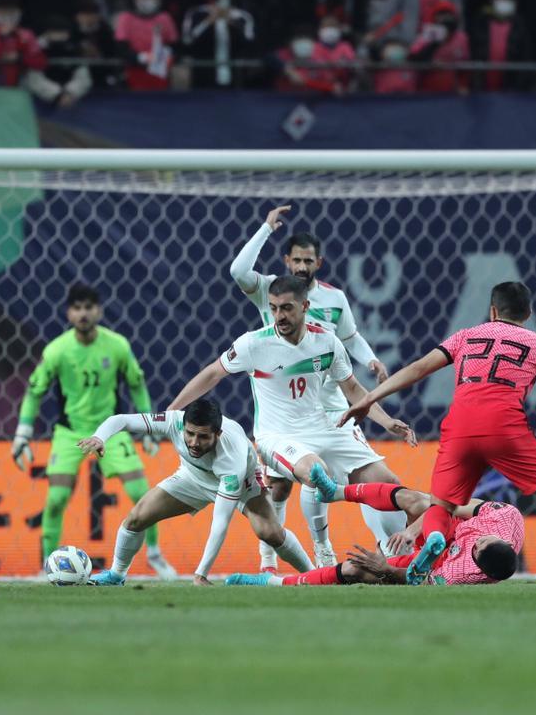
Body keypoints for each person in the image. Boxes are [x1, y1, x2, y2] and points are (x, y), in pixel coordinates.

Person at [342, 281, 536, 586]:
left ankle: (435, 537)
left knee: (442, 505)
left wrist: (369, 398)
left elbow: (418, 369)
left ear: (493, 311)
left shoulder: (466, 335)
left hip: (461, 427)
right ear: (529, 313)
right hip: (506, 428)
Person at [167, 275, 416, 564]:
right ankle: (322, 547)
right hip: (276, 436)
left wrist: (386, 421)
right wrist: (174, 409)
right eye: (273, 308)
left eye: (286, 308)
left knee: (391, 485)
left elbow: (352, 388)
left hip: (321, 428)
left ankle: (398, 562)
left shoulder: (327, 342)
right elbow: (212, 373)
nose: (279, 316)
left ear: (305, 306)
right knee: (316, 472)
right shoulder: (253, 344)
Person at [229, 206, 393, 572]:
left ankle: (332, 548)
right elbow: (238, 271)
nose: (302, 267)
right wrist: (265, 229)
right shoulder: (271, 291)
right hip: (286, 406)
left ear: (319, 262)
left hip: (331, 404)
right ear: (286, 261)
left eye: (308, 261)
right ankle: (268, 557)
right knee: (280, 486)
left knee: (350, 473)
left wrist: (370, 360)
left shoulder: (334, 299)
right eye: (296, 260)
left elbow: (351, 337)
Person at [10, 283, 177, 579]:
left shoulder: (117, 346)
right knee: (56, 499)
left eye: (88, 307)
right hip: (70, 433)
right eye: (77, 308)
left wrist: (149, 429)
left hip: (110, 430)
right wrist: (23, 434)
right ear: (68, 313)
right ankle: (47, 564)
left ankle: (154, 554)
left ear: (99, 311)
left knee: (141, 493)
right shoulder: (57, 350)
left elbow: (137, 384)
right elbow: (34, 391)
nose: (83, 314)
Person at [80, 399, 315, 586]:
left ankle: (313, 575)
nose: (193, 442)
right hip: (193, 478)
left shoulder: (230, 459)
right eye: (190, 434)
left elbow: (220, 521)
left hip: (244, 483)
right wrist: (100, 437)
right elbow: (121, 420)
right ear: (183, 425)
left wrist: (201, 573)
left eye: (203, 437)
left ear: (218, 434)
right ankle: (116, 575)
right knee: (136, 518)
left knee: (269, 532)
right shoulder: (173, 421)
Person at [228, 480, 522, 586]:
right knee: (418, 500)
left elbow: (419, 582)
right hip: (446, 527)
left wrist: (385, 570)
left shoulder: (461, 574)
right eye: (485, 538)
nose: (478, 540)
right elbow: (451, 505)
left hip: (432, 563)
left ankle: (273, 582)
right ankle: (335, 491)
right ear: (501, 539)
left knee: (354, 569)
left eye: (477, 547)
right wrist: (414, 529)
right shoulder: (506, 518)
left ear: (477, 562)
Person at [0, 0, 67, 106]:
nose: (7, 17)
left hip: (20, 84)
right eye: (3, 13)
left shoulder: (26, 35)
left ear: (18, 13)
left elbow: (40, 62)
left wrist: (20, 57)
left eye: (11, 13)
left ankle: (58, 96)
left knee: (33, 76)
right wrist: (1, 38)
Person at [182, 0, 256, 89]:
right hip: (204, 75)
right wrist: (208, 21)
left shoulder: (243, 16)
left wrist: (232, 22)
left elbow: (250, 43)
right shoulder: (196, 13)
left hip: (235, 76)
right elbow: (187, 41)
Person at [115, 0, 179, 91]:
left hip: (160, 72)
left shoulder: (165, 18)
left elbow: (174, 45)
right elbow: (121, 47)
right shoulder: (126, 17)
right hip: (133, 71)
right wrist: (142, 57)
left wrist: (165, 56)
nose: (146, 0)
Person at [409, 0, 470, 94]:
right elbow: (413, 57)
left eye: (448, 14)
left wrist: (463, 86)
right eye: (441, 14)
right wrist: (434, 45)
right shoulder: (427, 34)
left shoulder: (461, 38)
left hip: (452, 92)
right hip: (426, 91)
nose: (445, 18)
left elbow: (465, 66)